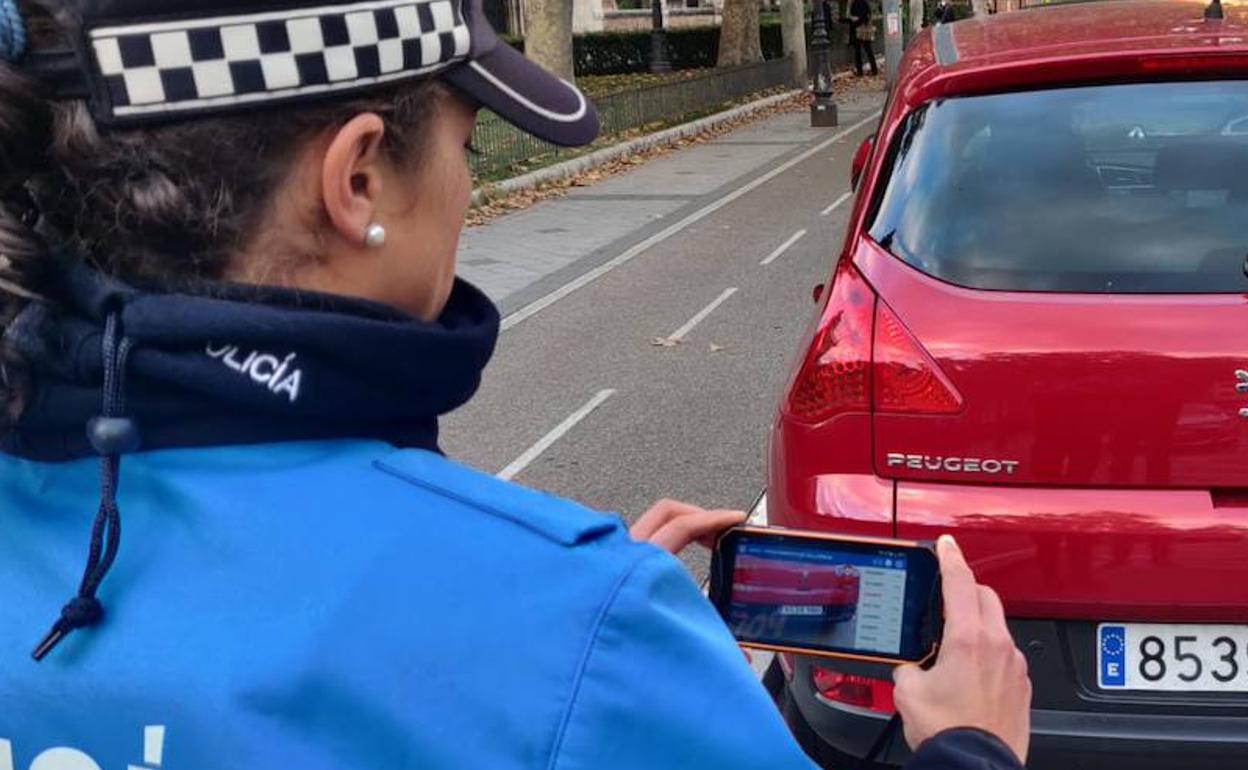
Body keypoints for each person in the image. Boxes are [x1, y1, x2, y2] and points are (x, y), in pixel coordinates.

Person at [0, 0, 1030, 768]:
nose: (461, 183)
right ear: (357, 178)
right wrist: (969, 744)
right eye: (464, 141)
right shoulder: (576, 625)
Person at [849, 0, 880, 77]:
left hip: (857, 29)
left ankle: (860, 72)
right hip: (865, 29)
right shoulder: (865, 3)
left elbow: (852, 17)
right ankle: (874, 69)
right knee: (868, 50)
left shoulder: (854, 3)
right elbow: (868, 15)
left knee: (858, 51)